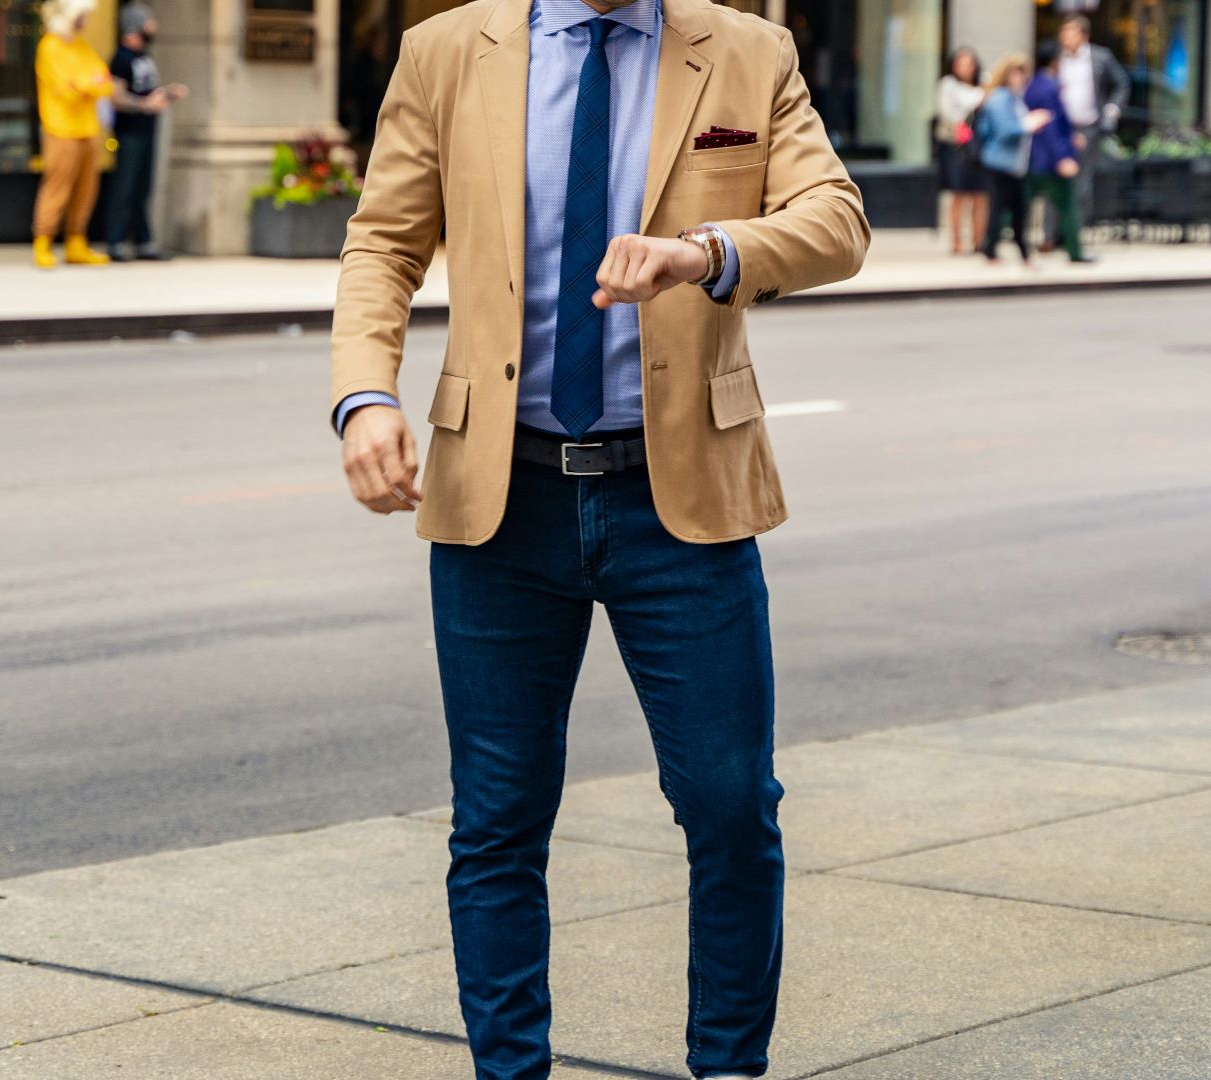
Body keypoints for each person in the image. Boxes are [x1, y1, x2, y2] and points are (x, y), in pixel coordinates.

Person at [327, 0, 871, 1074]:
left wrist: (707, 250)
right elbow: (383, 242)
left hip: (681, 501)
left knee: (729, 806)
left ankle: (728, 1066)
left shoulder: (748, 51)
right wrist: (363, 396)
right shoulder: (447, 53)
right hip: (501, 499)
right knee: (497, 820)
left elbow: (837, 222)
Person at [31, 0, 113, 269]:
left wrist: (86, 86)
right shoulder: (50, 47)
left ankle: (76, 242)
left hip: (87, 128)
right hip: (60, 128)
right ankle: (43, 241)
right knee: (57, 186)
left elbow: (104, 82)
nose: (85, 22)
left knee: (86, 189)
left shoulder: (81, 47)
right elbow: (68, 89)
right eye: (82, 16)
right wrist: (87, 85)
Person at [105, 3, 187, 262]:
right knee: (125, 186)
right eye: (148, 22)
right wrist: (143, 105)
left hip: (148, 129)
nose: (153, 26)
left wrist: (166, 94)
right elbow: (116, 97)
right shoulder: (120, 58)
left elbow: (147, 90)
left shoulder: (145, 56)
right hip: (129, 132)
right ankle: (115, 241)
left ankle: (144, 241)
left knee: (143, 188)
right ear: (134, 27)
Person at [1052, 15, 1128, 253]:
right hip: (1059, 128)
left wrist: (1111, 112)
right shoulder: (1056, 60)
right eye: (1064, 33)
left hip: (1088, 127)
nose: (1066, 38)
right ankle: (1052, 236)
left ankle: (1074, 235)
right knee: (1054, 181)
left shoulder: (1100, 58)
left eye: (1071, 32)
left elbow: (1122, 83)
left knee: (1081, 184)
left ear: (1084, 35)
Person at [973, 53, 1049, 265]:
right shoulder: (999, 98)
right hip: (999, 162)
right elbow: (1006, 129)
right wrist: (1030, 123)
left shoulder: (1014, 97)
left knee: (1018, 209)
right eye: (1017, 73)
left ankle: (1020, 251)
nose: (1021, 78)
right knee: (999, 208)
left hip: (1015, 163)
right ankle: (992, 250)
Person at [1026, 42, 1090, 264]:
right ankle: (1075, 251)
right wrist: (1063, 157)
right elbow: (1051, 128)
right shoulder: (1050, 88)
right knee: (1068, 206)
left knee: (1020, 204)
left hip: (1032, 158)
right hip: (1049, 160)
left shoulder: (1033, 85)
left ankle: (994, 246)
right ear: (1055, 61)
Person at [935, 47, 987, 255]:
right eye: (962, 62)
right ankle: (956, 241)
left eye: (970, 63)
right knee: (959, 194)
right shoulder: (948, 85)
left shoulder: (982, 84)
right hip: (956, 145)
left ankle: (978, 240)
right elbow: (948, 114)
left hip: (979, 145)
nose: (967, 67)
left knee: (980, 195)